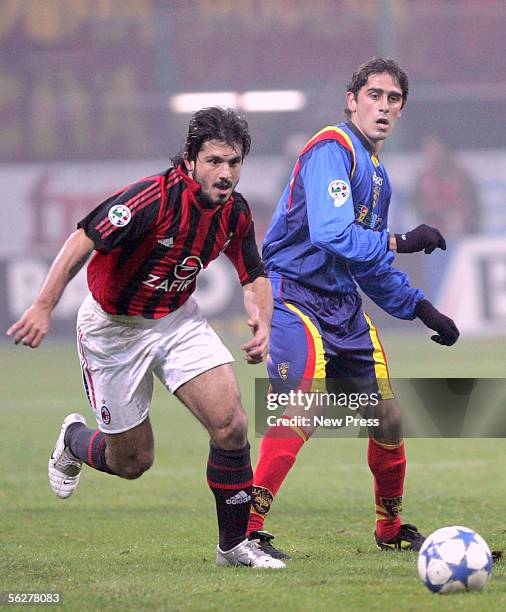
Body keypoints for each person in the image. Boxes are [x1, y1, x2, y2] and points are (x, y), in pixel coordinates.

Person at [7, 106, 285, 570]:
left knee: (232, 424)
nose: (226, 173)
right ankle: (74, 440)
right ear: (191, 159)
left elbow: (253, 274)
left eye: (234, 163)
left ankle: (234, 546)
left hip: (177, 321)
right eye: (215, 161)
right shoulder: (149, 199)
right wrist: (42, 305)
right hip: (113, 332)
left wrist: (263, 323)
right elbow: (81, 241)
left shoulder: (233, 212)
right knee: (133, 461)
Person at [245, 58, 460, 560]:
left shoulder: (377, 175)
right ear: (352, 99)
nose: (383, 106)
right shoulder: (330, 150)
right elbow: (331, 233)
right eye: (375, 95)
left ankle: (390, 528)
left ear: (402, 110)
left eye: (394, 99)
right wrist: (404, 239)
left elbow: (365, 260)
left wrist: (421, 308)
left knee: (386, 418)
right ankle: (244, 531)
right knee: (301, 407)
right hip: (294, 295)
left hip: (342, 304)